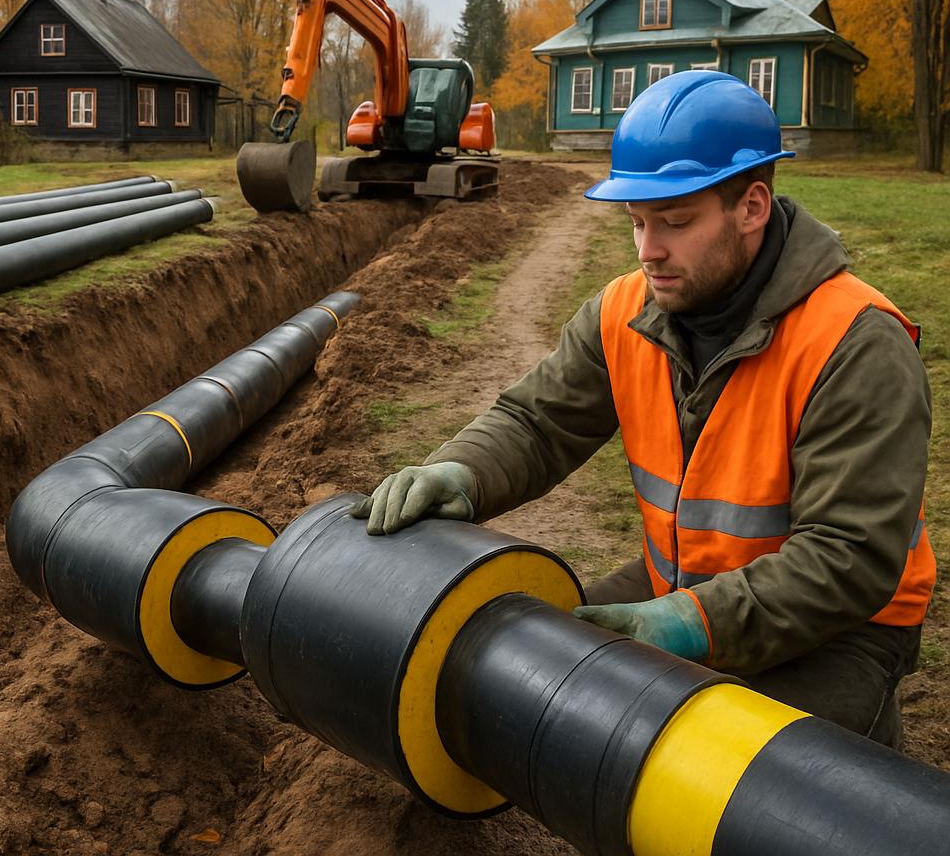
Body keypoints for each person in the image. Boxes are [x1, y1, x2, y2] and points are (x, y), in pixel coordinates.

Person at [351, 69, 936, 748]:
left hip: (840, 629)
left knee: (710, 771)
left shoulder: (855, 343)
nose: (648, 250)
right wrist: (460, 472)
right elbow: (539, 423)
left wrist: (688, 626)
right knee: (536, 678)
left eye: (675, 222)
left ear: (751, 207)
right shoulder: (627, 310)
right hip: (682, 581)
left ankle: (868, 735)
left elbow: (848, 559)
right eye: (636, 221)